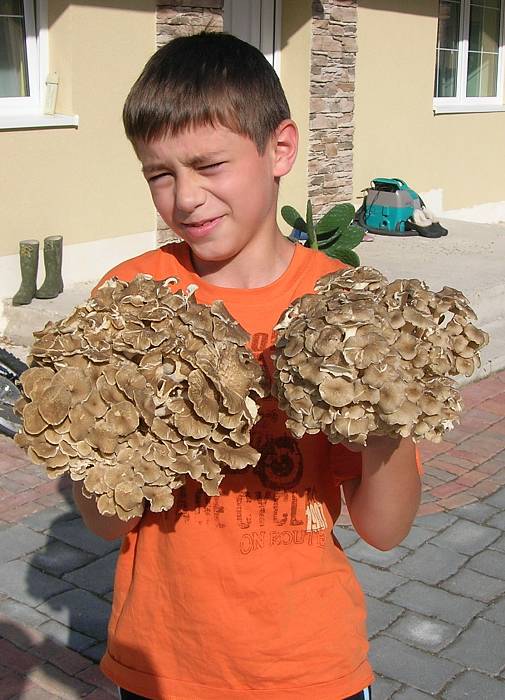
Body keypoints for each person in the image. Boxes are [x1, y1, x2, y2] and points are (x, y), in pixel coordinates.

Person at [73, 32, 421, 700]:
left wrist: (389, 411)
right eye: (159, 173)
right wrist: (128, 426)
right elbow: (105, 520)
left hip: (309, 666)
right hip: (164, 664)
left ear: (279, 149)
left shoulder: (344, 309)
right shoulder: (129, 299)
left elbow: (384, 528)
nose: (185, 197)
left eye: (209, 164)